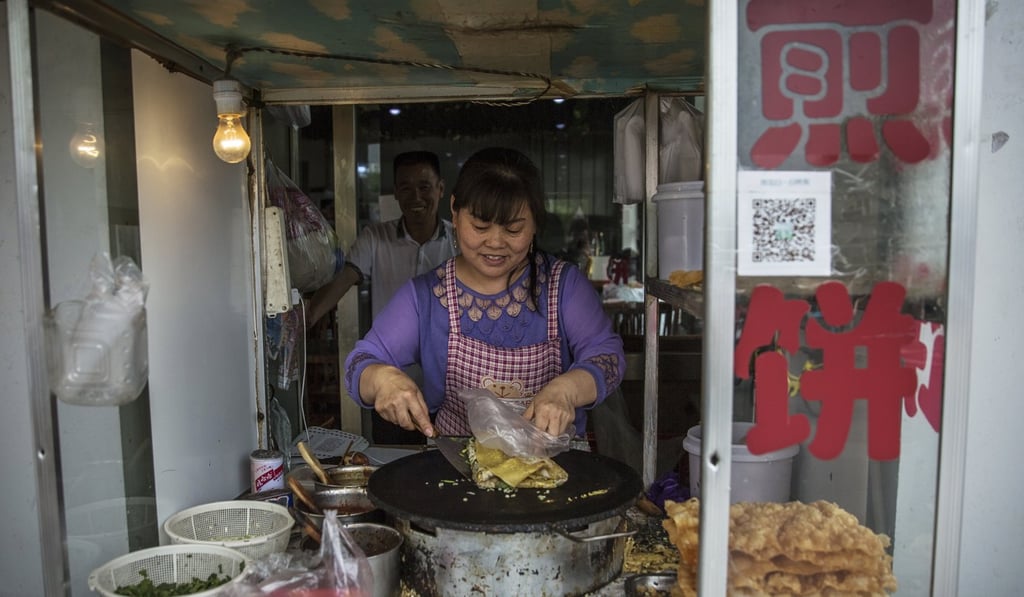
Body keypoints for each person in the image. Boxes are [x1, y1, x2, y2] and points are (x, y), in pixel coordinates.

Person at [343, 147, 625, 440]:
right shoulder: (427, 296)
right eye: (480, 226)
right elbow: (359, 363)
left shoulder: (563, 286)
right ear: (454, 210)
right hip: (459, 472)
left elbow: (608, 357)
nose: (495, 242)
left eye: (513, 230)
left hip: (556, 469)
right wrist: (382, 379)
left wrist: (568, 389)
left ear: (536, 224)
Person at [307, 150, 456, 326]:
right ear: (396, 192)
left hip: (445, 352)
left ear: (441, 189)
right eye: (406, 188)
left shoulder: (459, 240)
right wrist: (308, 317)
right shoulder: (375, 238)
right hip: (389, 352)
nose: (416, 197)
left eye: (424, 187)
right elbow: (344, 278)